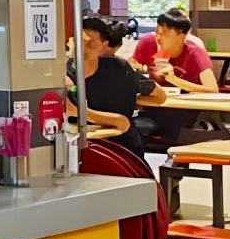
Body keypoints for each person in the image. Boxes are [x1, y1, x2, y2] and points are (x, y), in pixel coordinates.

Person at [69, 16, 165, 159]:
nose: (83, 49)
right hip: (77, 148)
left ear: (104, 45)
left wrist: (135, 99)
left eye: (90, 44)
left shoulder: (119, 69)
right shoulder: (63, 73)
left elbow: (160, 96)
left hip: (121, 148)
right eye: (78, 43)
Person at [130, 8, 217, 93]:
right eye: (158, 32)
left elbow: (213, 90)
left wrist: (173, 79)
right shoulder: (149, 42)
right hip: (157, 102)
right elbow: (131, 65)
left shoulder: (195, 53)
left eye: (164, 33)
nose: (158, 38)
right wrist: (142, 68)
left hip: (188, 103)